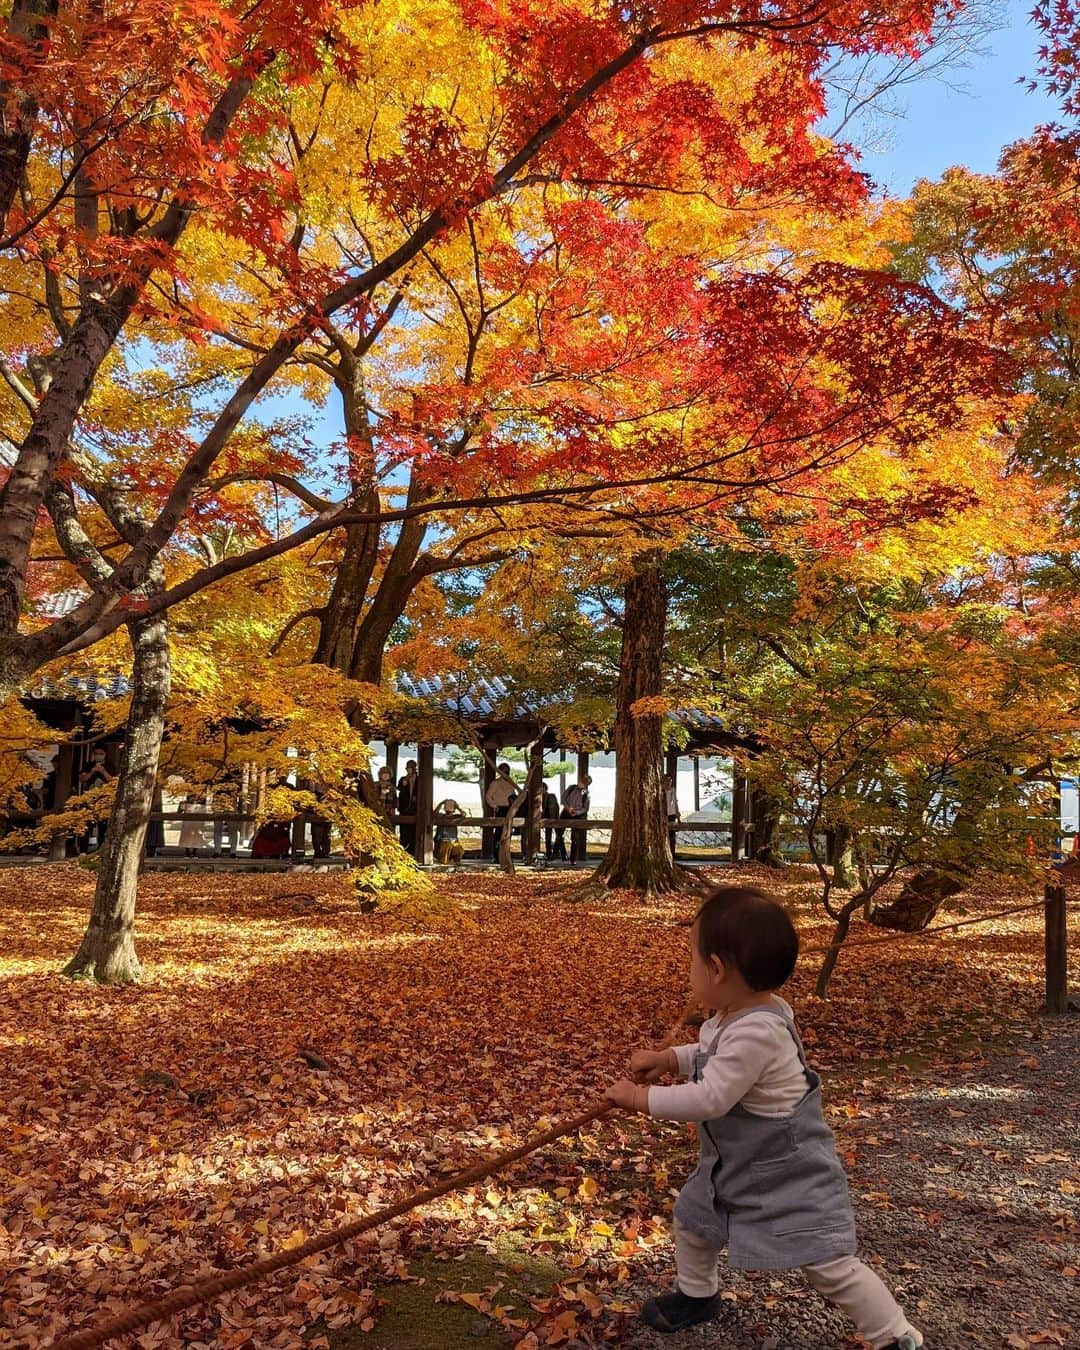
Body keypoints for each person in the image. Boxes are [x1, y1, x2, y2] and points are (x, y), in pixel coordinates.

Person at [605, 886, 924, 1350]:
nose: (689, 969)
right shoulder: (737, 1014)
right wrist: (672, 1059)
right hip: (735, 1164)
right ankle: (697, 1295)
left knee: (826, 1262)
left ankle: (895, 1334)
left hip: (786, 1170)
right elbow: (715, 1056)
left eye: (692, 959)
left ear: (716, 969)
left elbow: (712, 1097)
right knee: (695, 1220)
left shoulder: (757, 1029)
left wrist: (640, 1098)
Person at [484, 762, 517, 859]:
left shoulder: (511, 783)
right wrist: (495, 806)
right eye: (504, 771)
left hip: (510, 809)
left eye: (508, 771)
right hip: (500, 809)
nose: (506, 773)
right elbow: (488, 797)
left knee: (508, 833)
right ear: (500, 771)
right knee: (499, 833)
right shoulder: (495, 783)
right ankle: (497, 856)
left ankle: (506, 855)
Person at [560, 774, 591, 863]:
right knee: (559, 833)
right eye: (582, 781)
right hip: (566, 812)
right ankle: (563, 854)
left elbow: (585, 808)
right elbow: (563, 798)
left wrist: (576, 812)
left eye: (585, 783)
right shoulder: (571, 788)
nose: (582, 783)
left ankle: (573, 859)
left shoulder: (586, 794)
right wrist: (568, 808)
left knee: (575, 838)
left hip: (577, 815)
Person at [433, 798, 466, 866]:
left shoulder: (456, 817)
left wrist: (457, 807)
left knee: (459, 849)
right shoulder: (440, 816)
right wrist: (441, 804)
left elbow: (463, 814)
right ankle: (443, 862)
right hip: (442, 841)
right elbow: (434, 814)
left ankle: (455, 861)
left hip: (453, 841)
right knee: (446, 844)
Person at [397, 760, 418, 856]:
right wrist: (405, 782)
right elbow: (399, 788)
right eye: (408, 768)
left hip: (415, 809)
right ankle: (403, 850)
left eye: (411, 768)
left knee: (414, 831)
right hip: (404, 808)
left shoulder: (419, 779)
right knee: (404, 831)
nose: (409, 770)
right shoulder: (402, 779)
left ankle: (413, 851)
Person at [541, 781, 561, 860]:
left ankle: (557, 852)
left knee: (558, 836)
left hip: (553, 818)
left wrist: (555, 818)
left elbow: (555, 807)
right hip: (545, 818)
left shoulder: (551, 796)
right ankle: (549, 852)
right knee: (548, 836)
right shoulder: (539, 798)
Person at [664, 772, 680, 857]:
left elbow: (675, 802)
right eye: (667, 780)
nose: (668, 782)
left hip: (672, 813)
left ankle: (672, 853)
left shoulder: (673, 790)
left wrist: (677, 812)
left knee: (672, 833)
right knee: (665, 833)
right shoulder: (662, 791)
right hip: (665, 813)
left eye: (670, 780)